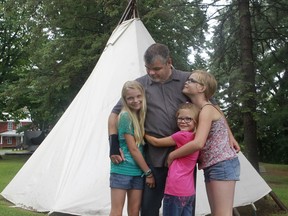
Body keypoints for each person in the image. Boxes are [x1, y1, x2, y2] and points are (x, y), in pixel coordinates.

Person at [108, 43, 240, 216]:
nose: (151, 73)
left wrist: (230, 135)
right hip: (154, 158)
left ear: (169, 62)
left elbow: (214, 108)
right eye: (148, 68)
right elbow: (114, 114)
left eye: (156, 68)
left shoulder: (188, 81)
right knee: (149, 208)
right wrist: (113, 144)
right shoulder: (140, 85)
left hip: (184, 158)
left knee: (183, 207)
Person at [167, 70, 241, 216]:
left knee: (222, 213)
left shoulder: (207, 110)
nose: (186, 82)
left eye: (191, 80)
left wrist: (172, 155)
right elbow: (220, 114)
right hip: (213, 165)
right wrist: (230, 135)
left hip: (222, 165)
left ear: (202, 88)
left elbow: (198, 143)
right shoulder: (203, 109)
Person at [145, 102, 200, 216]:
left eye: (188, 119)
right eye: (180, 118)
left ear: (196, 121)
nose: (183, 121)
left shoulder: (181, 135)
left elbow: (156, 142)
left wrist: (143, 133)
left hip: (175, 189)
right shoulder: (196, 137)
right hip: (189, 192)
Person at [109, 81, 155, 216]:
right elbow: (133, 149)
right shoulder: (125, 116)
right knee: (117, 211)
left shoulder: (139, 115)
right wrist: (148, 172)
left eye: (138, 96)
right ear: (124, 99)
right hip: (122, 168)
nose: (135, 101)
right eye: (130, 98)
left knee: (134, 211)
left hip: (137, 172)